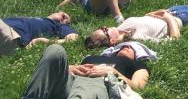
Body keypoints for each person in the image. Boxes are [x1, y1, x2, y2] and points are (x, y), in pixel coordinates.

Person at [20, 41, 151, 98]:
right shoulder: (93, 57)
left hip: (101, 83)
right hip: (72, 80)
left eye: (133, 47)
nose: (128, 46)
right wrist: (71, 67)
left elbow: (138, 86)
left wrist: (114, 73)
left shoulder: (138, 65)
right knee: (55, 50)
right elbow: (55, 67)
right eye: (124, 45)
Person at [1, 12, 77, 50]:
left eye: (66, 19)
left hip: (12, 34)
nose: (64, 17)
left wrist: (47, 41)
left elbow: (74, 38)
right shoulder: (37, 19)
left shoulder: (59, 26)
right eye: (63, 15)